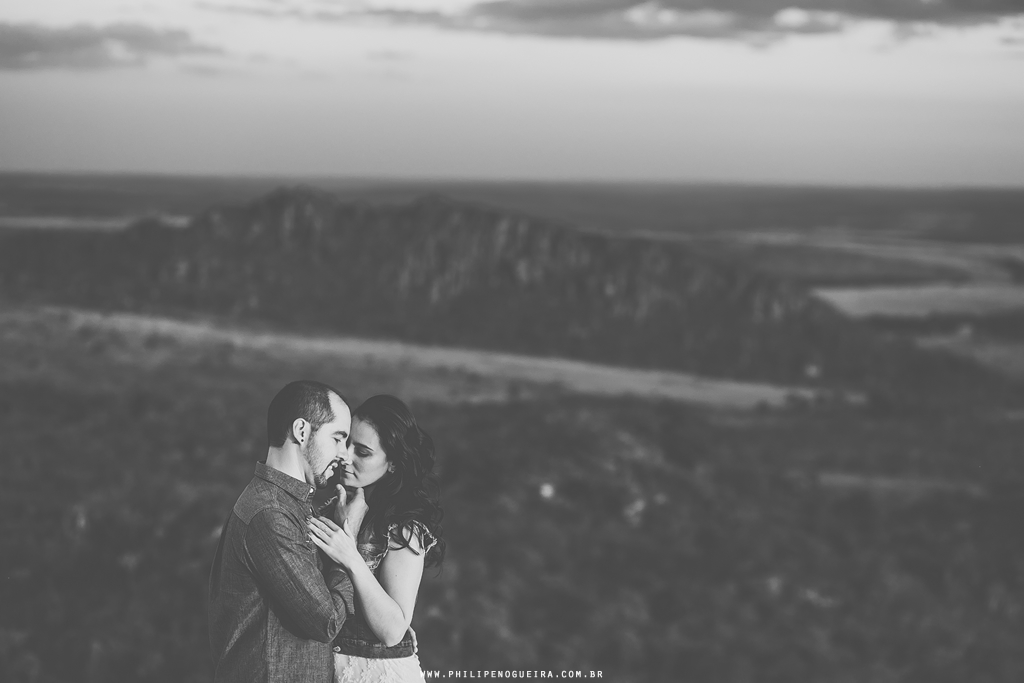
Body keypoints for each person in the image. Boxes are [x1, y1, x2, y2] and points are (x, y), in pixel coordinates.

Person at [209, 380, 367, 683]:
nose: (345, 456)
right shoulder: (270, 514)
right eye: (338, 438)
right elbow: (326, 621)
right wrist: (349, 541)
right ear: (302, 431)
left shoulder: (288, 505)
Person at [307, 394, 445, 683]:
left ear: (393, 463)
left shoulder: (406, 528)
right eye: (345, 443)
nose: (346, 456)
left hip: (376, 674)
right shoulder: (329, 507)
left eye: (363, 452)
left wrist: (350, 553)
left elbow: (393, 631)